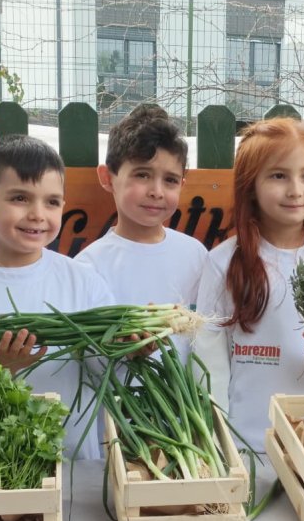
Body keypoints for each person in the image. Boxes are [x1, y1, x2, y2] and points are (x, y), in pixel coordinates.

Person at [194, 118, 304, 454]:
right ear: (251, 185)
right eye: (278, 175)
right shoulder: (224, 262)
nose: (295, 190)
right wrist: (219, 441)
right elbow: (209, 362)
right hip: (248, 443)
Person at [0, 135, 113, 460]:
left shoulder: (84, 282)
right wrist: (1, 367)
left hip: (77, 461)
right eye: (20, 198)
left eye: (52, 202)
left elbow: (105, 371)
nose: (37, 214)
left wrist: (126, 349)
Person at [75, 105, 207, 361]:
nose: (156, 191)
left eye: (170, 180)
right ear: (107, 177)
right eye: (142, 175)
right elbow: (83, 355)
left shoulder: (195, 255)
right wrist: (122, 350)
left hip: (186, 401)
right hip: (115, 398)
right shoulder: (88, 266)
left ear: (182, 183)